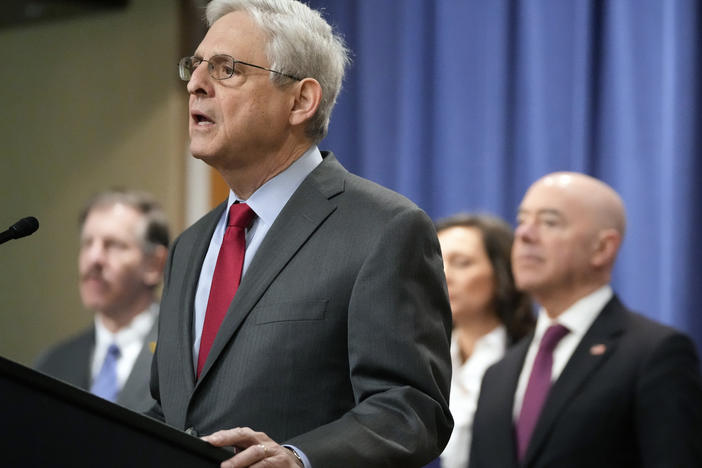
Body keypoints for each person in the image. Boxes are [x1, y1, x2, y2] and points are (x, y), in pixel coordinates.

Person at [148, 1, 453, 467]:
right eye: (195, 66)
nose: (195, 84)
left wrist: (300, 458)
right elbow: (171, 411)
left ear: (300, 101)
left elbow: (411, 409)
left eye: (225, 69)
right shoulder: (189, 247)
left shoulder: (384, 228)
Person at [469, 172, 702, 468]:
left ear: (602, 248)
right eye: (522, 220)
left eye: (549, 222)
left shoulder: (654, 354)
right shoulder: (497, 374)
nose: (524, 234)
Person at [35, 189, 170, 412]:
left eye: (114, 244)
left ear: (154, 264)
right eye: (88, 243)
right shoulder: (53, 363)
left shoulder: (183, 356)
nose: (94, 258)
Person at [434, 214, 534, 468]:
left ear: (502, 271)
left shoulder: (536, 355)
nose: (444, 275)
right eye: (435, 262)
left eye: (462, 263)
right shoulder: (421, 356)